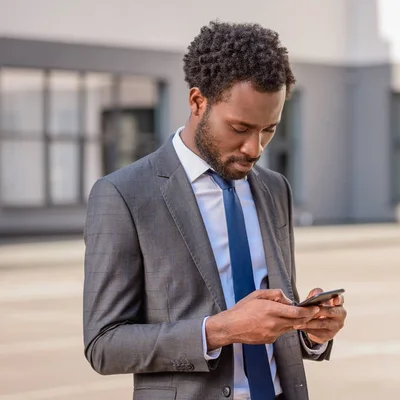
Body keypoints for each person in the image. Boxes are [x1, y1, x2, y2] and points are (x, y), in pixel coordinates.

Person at [82, 20, 347, 400]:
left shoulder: (275, 189)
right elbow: (104, 345)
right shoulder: (123, 195)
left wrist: (309, 329)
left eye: (269, 130)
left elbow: (271, 322)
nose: (255, 148)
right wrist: (220, 330)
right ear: (197, 102)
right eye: (240, 127)